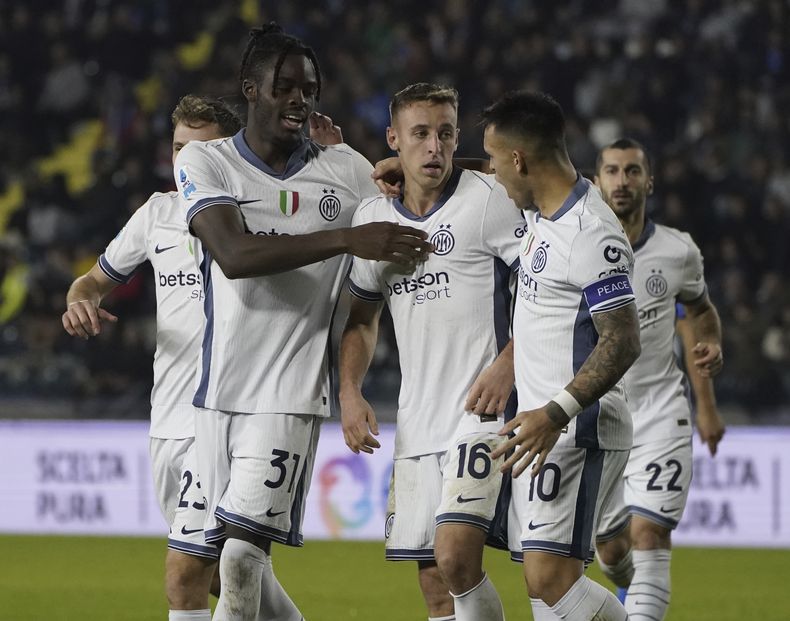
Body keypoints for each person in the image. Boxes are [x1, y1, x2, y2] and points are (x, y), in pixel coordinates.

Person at [173, 23, 432, 621]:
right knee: (193, 568)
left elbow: (422, 180)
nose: (300, 98)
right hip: (213, 398)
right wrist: (347, 237)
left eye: (309, 88)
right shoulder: (205, 161)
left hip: (288, 397)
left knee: (240, 561)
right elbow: (234, 257)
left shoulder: (343, 169)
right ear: (250, 88)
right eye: (284, 85)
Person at [339, 83, 525, 621]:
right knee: (435, 585)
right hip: (418, 422)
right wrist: (350, 391)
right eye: (420, 134)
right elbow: (360, 319)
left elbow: (545, 288)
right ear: (394, 139)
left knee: (456, 558)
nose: (434, 148)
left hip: (484, 414)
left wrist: (509, 362)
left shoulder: (489, 200)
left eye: (445, 133)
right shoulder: (374, 219)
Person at [61, 95, 241, 621]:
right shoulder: (157, 213)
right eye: (178, 148)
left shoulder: (252, 216)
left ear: (228, 154)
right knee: (218, 577)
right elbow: (92, 280)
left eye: (199, 151)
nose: (185, 162)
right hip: (167, 420)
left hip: (227, 417)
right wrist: (80, 301)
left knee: (189, 576)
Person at [481, 91, 641, 621]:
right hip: (543, 429)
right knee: (543, 591)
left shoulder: (591, 234)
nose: (494, 175)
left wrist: (555, 414)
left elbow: (622, 339)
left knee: (549, 579)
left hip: (576, 426)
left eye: (497, 162)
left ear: (521, 161)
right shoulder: (547, 209)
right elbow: (504, 158)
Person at [592, 138, 725, 620]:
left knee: (650, 534)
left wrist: (711, 346)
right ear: (596, 179)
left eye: (631, 171)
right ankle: (633, 592)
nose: (622, 181)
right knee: (611, 551)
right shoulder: (577, 243)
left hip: (659, 412)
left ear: (649, 181)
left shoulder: (678, 250)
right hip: (600, 416)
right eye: (611, 171)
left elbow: (700, 311)